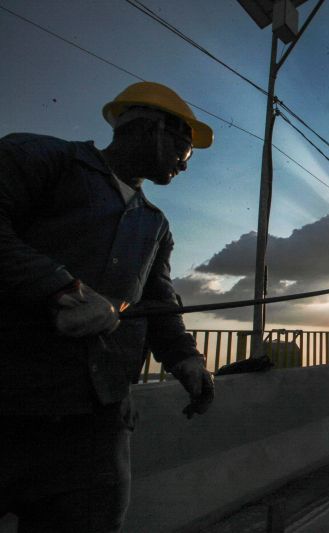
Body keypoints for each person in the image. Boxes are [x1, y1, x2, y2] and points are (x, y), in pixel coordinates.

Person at [0, 81, 215, 531]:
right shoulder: (42, 159)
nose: (185, 163)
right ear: (152, 128)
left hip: (94, 426)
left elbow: (157, 300)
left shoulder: (154, 223)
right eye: (185, 148)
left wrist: (185, 358)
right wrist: (60, 290)